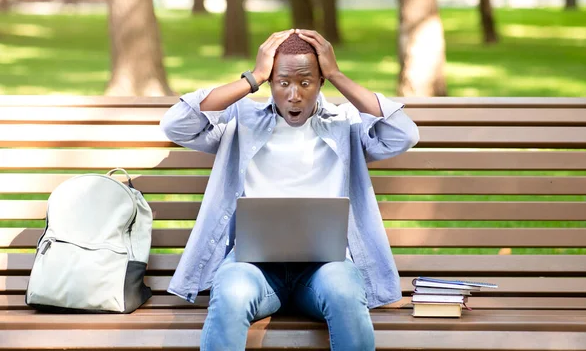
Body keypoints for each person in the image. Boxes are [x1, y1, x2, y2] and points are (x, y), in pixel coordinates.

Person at [160, 29, 419, 350]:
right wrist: (252, 77)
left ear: (321, 81)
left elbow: (403, 134)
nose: (294, 94)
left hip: (325, 270)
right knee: (230, 293)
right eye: (283, 82)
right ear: (270, 81)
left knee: (345, 295)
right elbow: (177, 123)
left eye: (306, 82)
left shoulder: (346, 122)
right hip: (252, 268)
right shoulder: (241, 120)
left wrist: (336, 73)